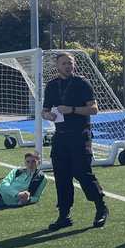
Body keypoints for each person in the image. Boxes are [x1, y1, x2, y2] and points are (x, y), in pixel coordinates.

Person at [41, 52, 111, 231]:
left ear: (74, 65)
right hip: (60, 135)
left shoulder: (82, 83)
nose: (67, 66)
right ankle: (64, 215)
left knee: (82, 171)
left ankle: (100, 207)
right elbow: (45, 110)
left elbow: (94, 109)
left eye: (69, 63)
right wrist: (47, 115)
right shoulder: (51, 86)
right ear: (57, 66)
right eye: (63, 63)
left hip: (80, 134)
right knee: (61, 175)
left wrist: (71, 109)